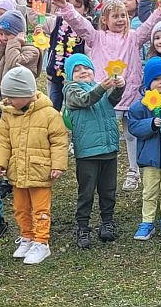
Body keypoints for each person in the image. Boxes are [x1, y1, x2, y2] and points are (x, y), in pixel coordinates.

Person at [53, 0, 161, 191]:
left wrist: (160, 11)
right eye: (115, 16)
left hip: (128, 92)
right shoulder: (96, 37)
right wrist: (65, 7)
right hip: (103, 95)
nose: (121, 20)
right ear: (104, 19)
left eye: (123, 15)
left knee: (131, 133)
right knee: (104, 130)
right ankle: (100, 163)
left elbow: (147, 28)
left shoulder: (133, 37)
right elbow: (79, 24)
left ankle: (133, 171)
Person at [0, 66, 68, 264]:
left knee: (41, 209)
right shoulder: (8, 115)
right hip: (18, 170)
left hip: (40, 170)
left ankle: (41, 242)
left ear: (26, 94)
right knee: (20, 207)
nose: (8, 101)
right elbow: (2, 140)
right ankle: (27, 236)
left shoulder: (50, 114)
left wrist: (57, 165)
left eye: (12, 96)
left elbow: (59, 140)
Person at [63, 54, 125, 248]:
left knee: (108, 190)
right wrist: (103, 87)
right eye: (77, 69)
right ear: (70, 75)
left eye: (87, 68)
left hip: (108, 148)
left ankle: (107, 222)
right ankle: (83, 227)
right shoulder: (71, 90)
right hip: (87, 152)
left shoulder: (100, 87)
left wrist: (119, 87)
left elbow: (111, 101)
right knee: (86, 191)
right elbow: (86, 99)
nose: (83, 72)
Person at [128, 58, 161, 242]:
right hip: (149, 158)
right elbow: (133, 126)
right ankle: (147, 221)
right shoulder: (141, 105)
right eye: (157, 79)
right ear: (149, 82)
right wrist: (150, 123)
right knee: (149, 191)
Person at [36, 0, 89, 110]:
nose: (73, 10)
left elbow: (90, 52)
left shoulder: (86, 27)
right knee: (53, 107)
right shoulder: (56, 21)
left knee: (76, 108)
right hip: (56, 75)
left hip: (78, 78)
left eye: (77, 6)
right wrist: (39, 29)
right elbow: (40, 23)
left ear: (86, 9)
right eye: (69, 6)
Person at [0, 0, 41, 85]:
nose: (3, 38)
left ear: (20, 34)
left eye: (8, 34)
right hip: (0, 95)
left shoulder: (32, 51)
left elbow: (14, 67)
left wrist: (14, 42)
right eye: (1, 34)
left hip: (17, 96)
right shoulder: (4, 47)